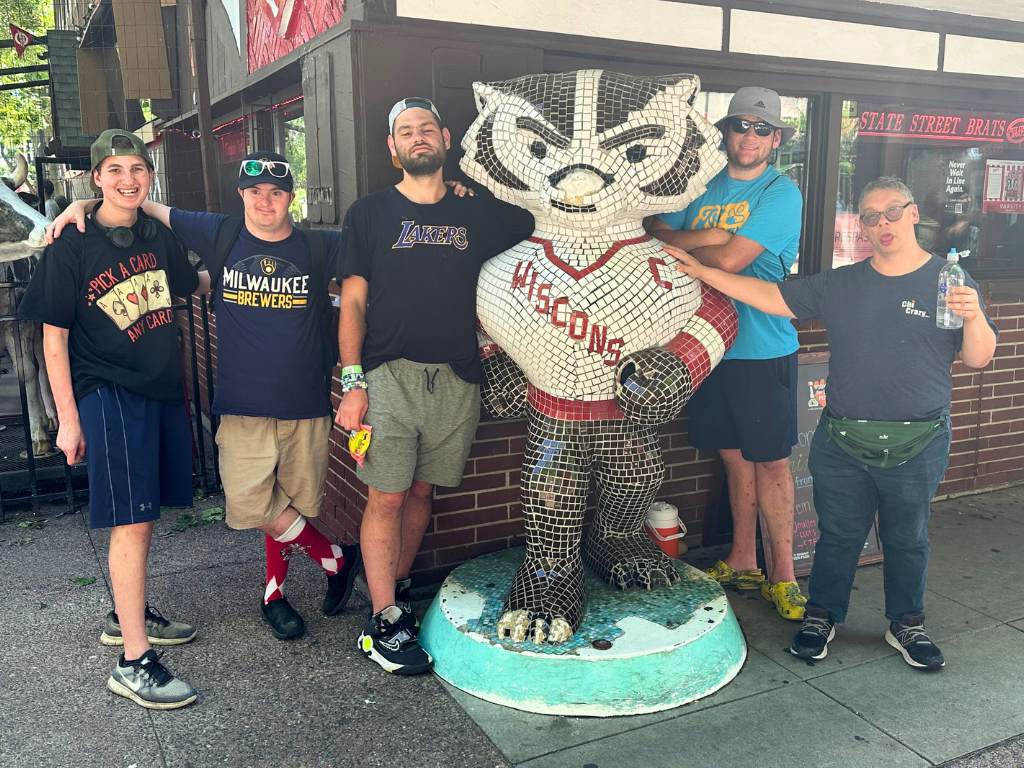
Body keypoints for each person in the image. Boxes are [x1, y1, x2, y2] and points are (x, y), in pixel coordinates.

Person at [672, 176, 998, 670]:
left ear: (914, 214)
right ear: (861, 226)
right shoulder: (842, 283)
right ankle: (822, 616)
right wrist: (704, 272)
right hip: (842, 437)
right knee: (839, 535)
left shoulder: (947, 281)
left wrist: (975, 318)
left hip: (920, 439)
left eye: (892, 211)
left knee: (908, 536)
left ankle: (906, 623)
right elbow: (769, 296)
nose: (882, 223)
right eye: (870, 215)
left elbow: (978, 358)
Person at [49, 151, 361, 643]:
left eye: (276, 192)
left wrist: (451, 200)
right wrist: (85, 205)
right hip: (241, 404)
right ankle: (335, 557)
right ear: (241, 196)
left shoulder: (321, 246)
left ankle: (274, 596)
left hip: (305, 403)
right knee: (252, 502)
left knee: (289, 504)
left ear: (291, 197)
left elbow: (382, 252)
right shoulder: (218, 233)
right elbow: (144, 204)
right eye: (255, 192)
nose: (265, 201)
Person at [335, 97, 531, 674]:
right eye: (404, 132)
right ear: (392, 149)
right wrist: (353, 381)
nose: (416, 137)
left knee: (422, 493)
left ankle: (389, 592)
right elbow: (351, 300)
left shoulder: (482, 215)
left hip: (457, 377)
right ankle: (383, 624)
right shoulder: (368, 213)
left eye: (425, 128)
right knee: (387, 496)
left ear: (445, 139)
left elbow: (543, 233)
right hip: (387, 376)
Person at [21, 129, 201, 709]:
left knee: (144, 514)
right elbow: (53, 340)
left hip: (159, 389)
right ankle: (133, 660)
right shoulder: (70, 245)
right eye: (115, 170)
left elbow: (187, 285)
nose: (128, 180)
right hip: (108, 392)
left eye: (137, 170)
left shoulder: (154, 233)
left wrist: (255, 269)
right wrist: (67, 421)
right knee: (130, 519)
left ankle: (130, 617)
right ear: (95, 177)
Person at [647, 87, 806, 620]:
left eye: (763, 129)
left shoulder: (781, 193)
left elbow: (733, 261)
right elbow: (653, 230)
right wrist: (708, 233)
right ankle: (742, 560)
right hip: (708, 348)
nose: (750, 136)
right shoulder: (705, 184)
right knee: (735, 462)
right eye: (741, 125)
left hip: (763, 348)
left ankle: (783, 575)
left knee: (772, 464)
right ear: (727, 131)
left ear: (777, 139)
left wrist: (696, 241)